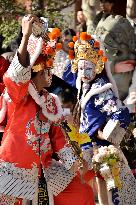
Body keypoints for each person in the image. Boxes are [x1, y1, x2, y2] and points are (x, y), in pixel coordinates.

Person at [0, 15, 95, 205]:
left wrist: (74, 163)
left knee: (82, 193)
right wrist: (26, 37)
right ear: (37, 71)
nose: (51, 75)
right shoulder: (18, 96)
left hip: (46, 169)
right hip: (15, 167)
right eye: (47, 70)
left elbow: (58, 138)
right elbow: (16, 76)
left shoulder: (51, 101)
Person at [69, 32, 136, 205]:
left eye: (88, 67)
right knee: (96, 187)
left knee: (110, 185)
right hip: (86, 145)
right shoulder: (84, 85)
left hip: (100, 147)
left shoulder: (100, 89)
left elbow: (120, 113)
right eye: (81, 67)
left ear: (97, 67)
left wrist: (104, 133)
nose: (83, 72)